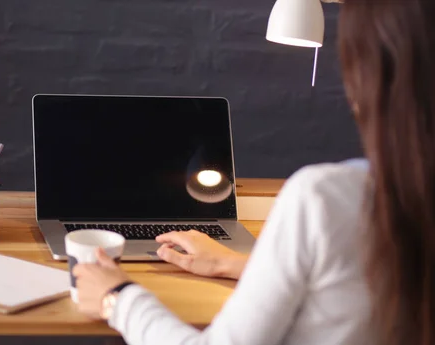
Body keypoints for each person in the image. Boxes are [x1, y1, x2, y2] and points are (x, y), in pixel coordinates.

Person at [72, 0, 435, 344]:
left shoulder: (324, 200)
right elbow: (349, 286)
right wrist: (238, 264)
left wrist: (117, 297)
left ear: (368, 79)